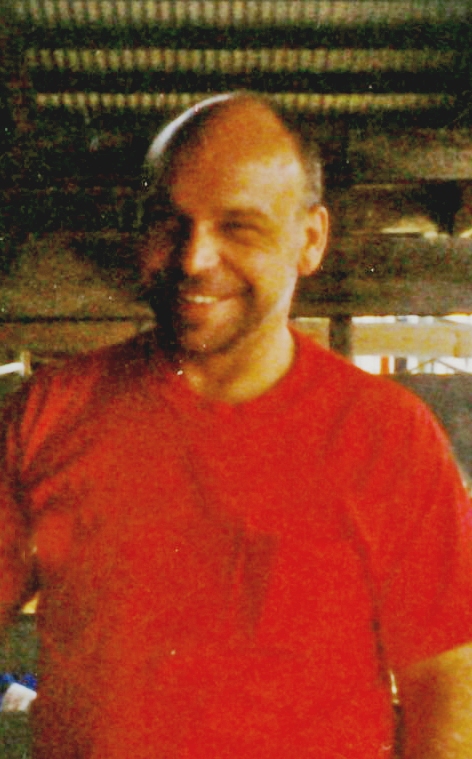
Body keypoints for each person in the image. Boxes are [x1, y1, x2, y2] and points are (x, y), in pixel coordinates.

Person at [1, 91, 472, 759]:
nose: (194, 258)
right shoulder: (50, 412)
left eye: (239, 227)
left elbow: (448, 688)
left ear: (311, 239)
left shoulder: (389, 437)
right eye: (170, 223)